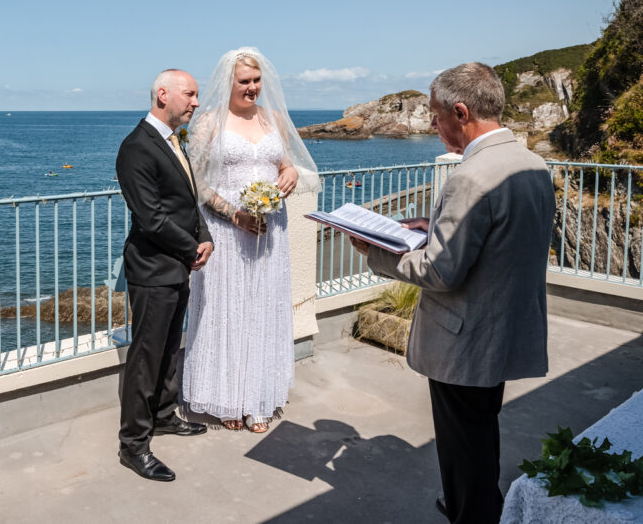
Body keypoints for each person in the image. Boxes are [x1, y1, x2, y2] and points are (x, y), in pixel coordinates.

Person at [351, 62, 555, 524]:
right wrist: (435, 228)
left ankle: (472, 512)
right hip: (504, 326)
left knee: (463, 443)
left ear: (461, 112)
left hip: (464, 338)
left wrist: (375, 251)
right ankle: (476, 502)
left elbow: (441, 272)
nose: (432, 124)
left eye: (435, 114)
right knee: (480, 433)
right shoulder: (532, 164)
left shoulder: (470, 177)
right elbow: (501, 242)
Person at [182, 47, 320, 433]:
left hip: (270, 232)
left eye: (257, 81)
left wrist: (290, 172)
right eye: (245, 81)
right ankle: (227, 397)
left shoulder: (273, 118)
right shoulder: (210, 123)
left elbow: (285, 162)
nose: (253, 88)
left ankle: (258, 396)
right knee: (226, 312)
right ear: (228, 83)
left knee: (262, 310)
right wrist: (234, 214)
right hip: (228, 232)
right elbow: (196, 183)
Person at [115, 69, 215, 482]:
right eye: (190, 95)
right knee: (146, 356)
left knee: (170, 346)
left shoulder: (174, 141)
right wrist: (192, 247)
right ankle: (133, 445)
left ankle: (163, 415)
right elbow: (152, 218)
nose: (195, 102)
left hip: (175, 264)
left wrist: (204, 235)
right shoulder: (136, 148)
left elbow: (187, 201)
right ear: (163, 94)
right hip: (153, 268)